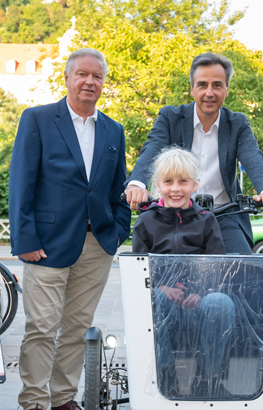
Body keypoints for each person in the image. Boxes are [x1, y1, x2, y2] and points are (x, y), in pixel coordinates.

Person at [8, 48, 131, 410]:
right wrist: (24, 239)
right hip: (46, 244)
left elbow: (116, 188)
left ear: (103, 82)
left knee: (78, 329)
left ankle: (63, 398)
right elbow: (21, 182)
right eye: (82, 74)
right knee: (42, 328)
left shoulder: (113, 129)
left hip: (97, 246)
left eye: (97, 76)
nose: (90, 82)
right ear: (67, 77)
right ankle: (34, 401)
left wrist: (117, 231)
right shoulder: (38, 119)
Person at [124, 52, 263, 254]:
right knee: (160, 273)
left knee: (242, 270)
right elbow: (152, 150)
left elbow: (253, 157)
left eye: (217, 85)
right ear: (192, 89)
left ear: (226, 90)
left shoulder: (237, 123)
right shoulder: (171, 117)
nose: (209, 92)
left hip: (225, 216)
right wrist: (136, 184)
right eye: (202, 85)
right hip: (177, 214)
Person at [132, 147, 235, 399]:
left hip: (197, 305)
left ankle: (208, 378)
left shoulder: (206, 220)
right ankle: (165, 377)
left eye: (183, 182)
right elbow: (138, 269)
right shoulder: (146, 221)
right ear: (157, 185)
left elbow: (217, 267)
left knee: (221, 302)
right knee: (149, 298)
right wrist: (160, 288)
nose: (175, 189)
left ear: (195, 184)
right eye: (168, 182)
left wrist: (201, 293)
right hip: (163, 305)